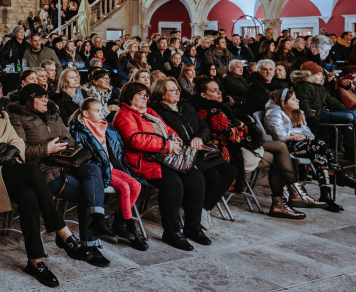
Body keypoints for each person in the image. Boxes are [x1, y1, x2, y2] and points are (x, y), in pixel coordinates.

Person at [0, 75, 89, 288]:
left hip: (9, 170)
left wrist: (13, 151)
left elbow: (16, 140)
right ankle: (62, 231)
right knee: (33, 173)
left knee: (29, 196)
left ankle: (35, 261)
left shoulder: (2, 114)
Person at [8, 84, 110, 266]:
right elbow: (20, 150)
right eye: (40, 97)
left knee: (93, 170)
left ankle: (96, 222)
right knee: (89, 193)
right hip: (44, 171)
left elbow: (69, 138)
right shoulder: (17, 117)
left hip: (66, 163)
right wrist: (46, 149)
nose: (46, 100)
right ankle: (88, 241)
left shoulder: (53, 114)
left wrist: (62, 145)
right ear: (28, 101)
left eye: (46, 96)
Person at [113, 81, 208, 251]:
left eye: (146, 95)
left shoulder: (149, 112)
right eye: (140, 95)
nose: (145, 98)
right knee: (173, 184)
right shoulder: (124, 115)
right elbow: (135, 139)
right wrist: (165, 145)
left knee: (196, 178)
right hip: (143, 161)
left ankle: (193, 226)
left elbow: (168, 129)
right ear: (129, 97)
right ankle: (171, 232)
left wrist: (174, 139)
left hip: (164, 157)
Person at [150, 78, 240, 230]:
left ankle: (205, 208)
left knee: (231, 171)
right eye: (172, 90)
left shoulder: (186, 106)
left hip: (199, 148)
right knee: (213, 176)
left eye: (177, 89)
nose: (177, 92)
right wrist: (187, 143)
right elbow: (165, 135)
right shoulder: (157, 111)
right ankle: (195, 211)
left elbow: (204, 126)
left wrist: (199, 137)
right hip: (182, 153)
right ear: (161, 93)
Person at [68, 98, 147, 250]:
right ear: (85, 113)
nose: (101, 114)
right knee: (124, 187)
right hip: (97, 170)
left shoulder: (102, 127)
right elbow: (84, 155)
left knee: (136, 185)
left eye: (101, 110)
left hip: (108, 167)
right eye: (96, 111)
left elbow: (109, 153)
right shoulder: (79, 130)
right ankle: (131, 228)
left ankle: (120, 222)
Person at [264, 89, 351, 211]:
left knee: (320, 155)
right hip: (284, 147)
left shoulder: (297, 112)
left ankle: (326, 195)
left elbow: (310, 133)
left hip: (300, 144)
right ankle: (339, 173)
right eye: (294, 99)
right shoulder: (274, 112)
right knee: (320, 145)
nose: (298, 100)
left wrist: (302, 136)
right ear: (283, 103)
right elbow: (280, 136)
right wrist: (300, 134)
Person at [293, 62, 356, 148]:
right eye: (318, 75)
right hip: (316, 115)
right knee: (350, 115)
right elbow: (304, 104)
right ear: (309, 75)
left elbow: (330, 100)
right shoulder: (304, 87)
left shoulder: (318, 86)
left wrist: (343, 108)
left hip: (323, 112)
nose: (322, 77)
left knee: (350, 114)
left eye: (321, 74)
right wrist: (310, 118)